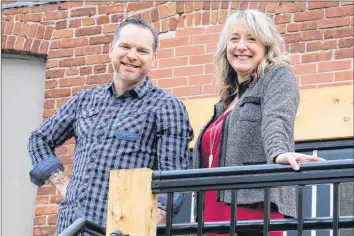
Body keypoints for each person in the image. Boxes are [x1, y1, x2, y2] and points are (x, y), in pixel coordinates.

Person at [28, 17, 193, 234]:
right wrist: (62, 183)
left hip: (121, 230)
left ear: (153, 58)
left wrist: (144, 225)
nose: (132, 56)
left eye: (142, 51)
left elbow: (173, 182)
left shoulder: (166, 107)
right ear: (111, 49)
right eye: (125, 46)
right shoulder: (85, 100)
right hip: (71, 226)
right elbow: (39, 139)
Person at [192, 9, 325, 236]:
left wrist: (279, 153)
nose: (241, 46)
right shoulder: (227, 99)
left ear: (266, 45)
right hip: (212, 211)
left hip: (252, 207)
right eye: (234, 39)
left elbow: (277, 120)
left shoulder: (277, 77)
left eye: (251, 38)